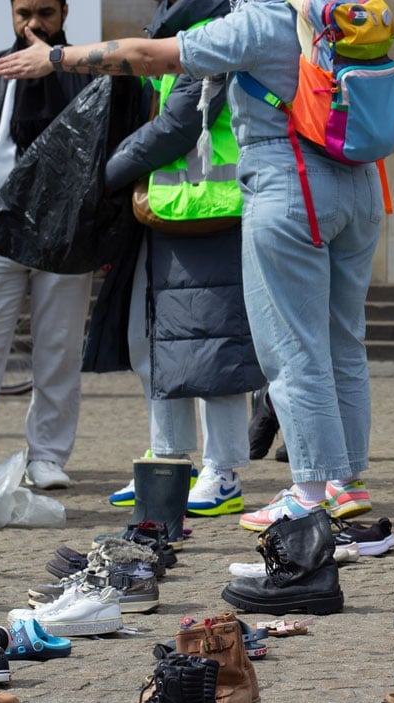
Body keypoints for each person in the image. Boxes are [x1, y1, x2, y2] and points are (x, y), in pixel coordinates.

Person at [0, 0, 381, 531]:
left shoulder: (261, 20)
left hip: (289, 183)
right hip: (357, 183)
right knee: (343, 342)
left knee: (291, 347)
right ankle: (348, 485)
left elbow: (149, 56)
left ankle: (312, 489)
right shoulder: (337, 16)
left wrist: (58, 58)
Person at [94, 0, 263, 517]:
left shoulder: (211, 32)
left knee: (218, 346)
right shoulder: (176, 29)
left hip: (213, 209)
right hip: (176, 209)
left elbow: (178, 125)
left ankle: (224, 472)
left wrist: (102, 175)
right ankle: (167, 461)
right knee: (162, 341)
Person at [0, 0, 93, 490]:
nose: (33, 24)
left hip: (65, 234)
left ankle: (47, 456)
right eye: (23, 12)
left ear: (65, 11)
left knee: (59, 349)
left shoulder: (90, 71)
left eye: (45, 12)